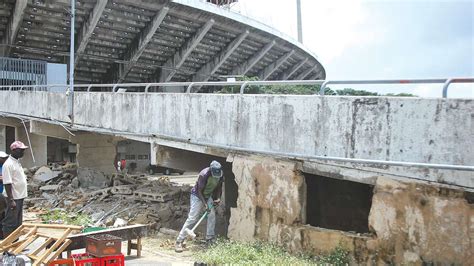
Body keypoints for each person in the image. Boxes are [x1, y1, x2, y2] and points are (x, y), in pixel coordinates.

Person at [175, 160, 224, 252]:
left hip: (208, 196)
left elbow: (219, 187)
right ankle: (179, 241)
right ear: (211, 170)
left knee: (212, 215)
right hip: (197, 196)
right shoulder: (204, 174)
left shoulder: (220, 174)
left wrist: (218, 198)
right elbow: (199, 191)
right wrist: (205, 204)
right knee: (192, 218)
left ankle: (209, 239)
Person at [2, 141, 29, 238]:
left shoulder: (16, 162)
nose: (22, 152)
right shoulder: (8, 164)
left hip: (20, 196)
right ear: (14, 150)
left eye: (23, 150)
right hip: (13, 197)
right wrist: (11, 199)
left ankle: (16, 243)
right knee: (10, 222)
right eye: (20, 150)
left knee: (18, 222)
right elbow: (7, 183)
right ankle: (7, 248)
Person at [0, 151, 9, 239]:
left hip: (4, 194)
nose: (4, 159)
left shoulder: (5, 167)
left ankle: (3, 236)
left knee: (4, 215)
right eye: (3, 158)